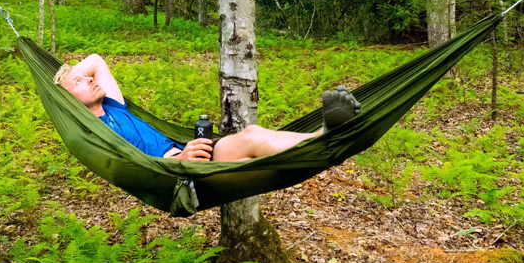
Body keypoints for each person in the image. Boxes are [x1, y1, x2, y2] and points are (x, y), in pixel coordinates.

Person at [54, 54, 361, 162]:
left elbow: (96, 60)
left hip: (189, 156)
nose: (90, 79)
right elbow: (136, 169)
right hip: (174, 173)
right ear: (69, 101)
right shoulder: (94, 133)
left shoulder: (113, 106)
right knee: (250, 149)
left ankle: (323, 134)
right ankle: (324, 139)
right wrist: (181, 161)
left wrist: (69, 77)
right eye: (80, 82)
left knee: (252, 134)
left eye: (86, 77)